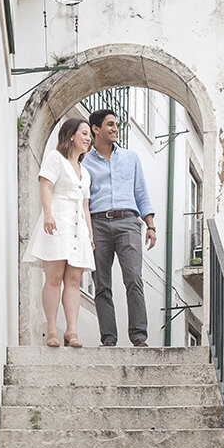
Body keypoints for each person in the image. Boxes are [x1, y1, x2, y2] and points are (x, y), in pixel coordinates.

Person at [82, 107, 156, 347]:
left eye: (116, 125)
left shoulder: (131, 158)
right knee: (101, 283)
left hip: (127, 222)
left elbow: (141, 192)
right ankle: (109, 339)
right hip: (98, 223)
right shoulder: (84, 162)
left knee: (133, 278)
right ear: (96, 129)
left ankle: (138, 336)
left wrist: (150, 225)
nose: (115, 129)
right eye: (110, 124)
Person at [22, 117, 95, 348]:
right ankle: (52, 330)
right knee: (53, 278)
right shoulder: (56, 158)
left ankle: (72, 331)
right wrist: (48, 213)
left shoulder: (85, 171)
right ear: (71, 134)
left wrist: (90, 234)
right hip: (58, 222)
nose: (88, 138)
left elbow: (85, 205)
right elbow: (45, 185)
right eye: (84, 133)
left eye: (89, 135)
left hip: (78, 227)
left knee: (74, 280)